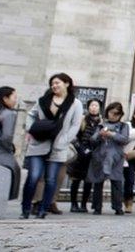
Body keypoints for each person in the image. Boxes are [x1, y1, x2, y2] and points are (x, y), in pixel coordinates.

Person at [20, 73, 83, 219]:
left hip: (58, 145)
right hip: (39, 142)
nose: (54, 86)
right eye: (52, 84)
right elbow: (31, 114)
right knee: (33, 176)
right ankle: (26, 208)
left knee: (51, 179)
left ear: (67, 83)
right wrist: (32, 129)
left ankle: (43, 209)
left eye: (57, 83)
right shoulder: (44, 100)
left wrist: (65, 140)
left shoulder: (75, 103)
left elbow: (75, 125)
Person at [87, 102, 129, 215]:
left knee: (116, 182)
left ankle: (118, 207)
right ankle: (97, 207)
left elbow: (124, 139)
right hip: (100, 156)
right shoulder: (101, 125)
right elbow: (92, 140)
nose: (113, 115)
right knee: (98, 182)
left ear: (120, 114)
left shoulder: (124, 126)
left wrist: (112, 134)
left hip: (116, 158)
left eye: (116, 113)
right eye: (111, 112)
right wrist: (100, 135)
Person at [68, 98, 102, 213]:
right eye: (92, 105)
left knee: (88, 181)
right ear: (88, 107)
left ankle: (83, 204)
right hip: (80, 154)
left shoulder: (101, 122)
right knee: (76, 180)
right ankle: (73, 204)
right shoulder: (81, 120)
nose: (94, 108)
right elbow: (74, 136)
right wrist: (81, 148)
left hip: (93, 155)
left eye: (96, 105)